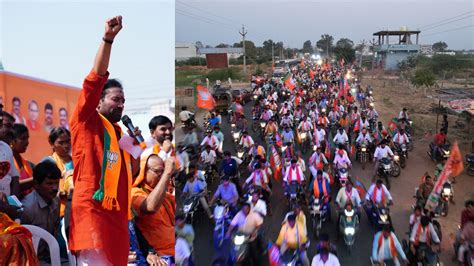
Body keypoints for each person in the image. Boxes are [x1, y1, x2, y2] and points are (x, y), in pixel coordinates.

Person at [68, 16, 141, 265]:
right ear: (98, 101)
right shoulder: (86, 120)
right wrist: (108, 39)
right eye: (115, 99)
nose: (121, 104)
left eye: (123, 100)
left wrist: (136, 145)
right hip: (93, 216)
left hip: (117, 219)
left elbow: (134, 170)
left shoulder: (120, 134)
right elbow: (94, 79)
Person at [131, 153, 175, 261]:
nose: (161, 176)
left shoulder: (165, 196)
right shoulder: (134, 193)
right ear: (144, 171)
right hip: (161, 256)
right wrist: (167, 173)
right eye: (158, 172)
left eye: (163, 172)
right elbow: (150, 207)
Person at [20, 161, 61, 263]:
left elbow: (54, 232)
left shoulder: (56, 202)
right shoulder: (27, 208)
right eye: (49, 183)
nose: (55, 188)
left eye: (56, 183)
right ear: (36, 185)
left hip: (49, 257)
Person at [11, 124, 34, 197]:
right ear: (12, 140)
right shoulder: (5, 163)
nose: (27, 142)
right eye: (23, 138)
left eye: (27, 138)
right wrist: (35, 180)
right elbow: (11, 186)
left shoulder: (28, 164)